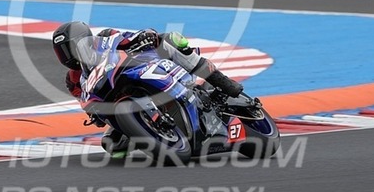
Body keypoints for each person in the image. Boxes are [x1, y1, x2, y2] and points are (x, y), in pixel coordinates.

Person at [52, 21, 243, 155]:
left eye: (70, 48)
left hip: (141, 68)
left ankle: (223, 82)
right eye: (63, 52)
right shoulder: (73, 79)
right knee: (112, 144)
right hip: (117, 100)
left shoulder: (105, 38)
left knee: (171, 40)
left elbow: (126, 38)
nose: (68, 55)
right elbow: (85, 101)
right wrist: (95, 114)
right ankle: (156, 135)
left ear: (85, 39)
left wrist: (143, 37)